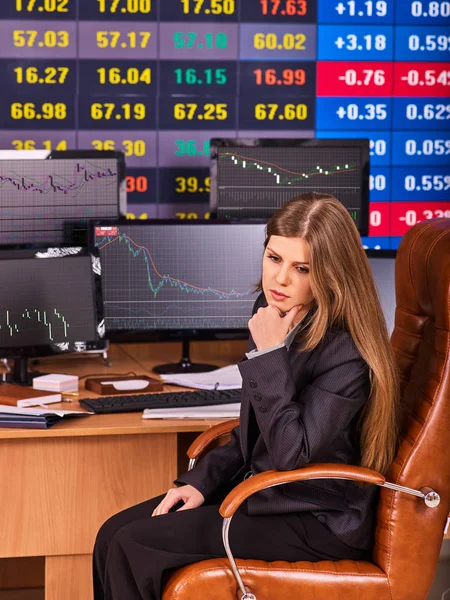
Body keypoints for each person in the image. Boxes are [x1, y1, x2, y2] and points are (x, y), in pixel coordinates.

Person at [93, 192, 400, 600]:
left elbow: (292, 453)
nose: (280, 279)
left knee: (136, 545)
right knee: (110, 533)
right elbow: (252, 427)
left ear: (330, 274)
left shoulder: (347, 351)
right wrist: (202, 482)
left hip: (316, 517)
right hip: (265, 491)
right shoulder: (271, 311)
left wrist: (270, 354)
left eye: (301, 268)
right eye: (274, 258)